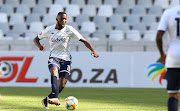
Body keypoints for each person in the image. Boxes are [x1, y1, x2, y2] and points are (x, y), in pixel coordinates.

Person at [33, 12, 99, 109]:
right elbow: (36, 39)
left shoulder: (69, 29)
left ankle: (46, 100)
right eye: (62, 19)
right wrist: (40, 46)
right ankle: (55, 96)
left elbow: (84, 40)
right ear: (57, 19)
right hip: (54, 57)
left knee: (61, 86)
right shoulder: (49, 30)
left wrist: (93, 50)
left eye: (65, 19)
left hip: (66, 59)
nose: (64, 21)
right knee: (54, 71)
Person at [156, 2, 180, 111]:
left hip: (173, 57)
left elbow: (158, 37)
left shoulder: (169, 12)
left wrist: (162, 54)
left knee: (173, 94)